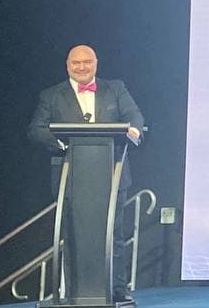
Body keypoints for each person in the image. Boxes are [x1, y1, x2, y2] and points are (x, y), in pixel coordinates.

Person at [27, 45, 144, 305]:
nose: (81, 67)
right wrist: (62, 143)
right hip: (70, 177)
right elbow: (36, 130)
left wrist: (134, 131)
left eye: (87, 62)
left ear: (96, 63)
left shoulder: (115, 88)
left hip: (112, 174)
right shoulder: (51, 95)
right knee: (72, 235)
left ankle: (117, 291)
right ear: (67, 65)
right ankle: (75, 292)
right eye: (76, 63)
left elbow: (134, 117)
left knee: (113, 234)